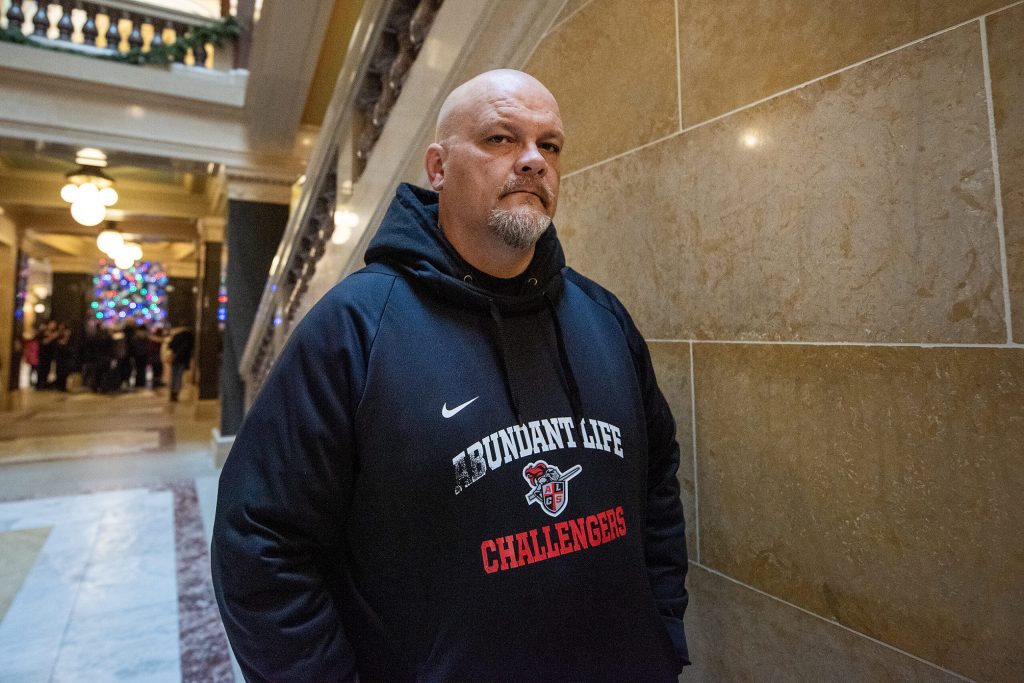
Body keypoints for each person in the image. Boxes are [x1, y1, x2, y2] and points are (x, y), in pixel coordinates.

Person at [212, 70, 689, 681]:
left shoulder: (603, 318)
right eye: (499, 139)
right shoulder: (355, 329)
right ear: (437, 169)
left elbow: (657, 482)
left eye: (550, 145)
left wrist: (661, 633)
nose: (532, 162)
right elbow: (260, 545)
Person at [167, 326, 194, 402]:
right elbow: (190, 348)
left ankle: (172, 392)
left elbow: (170, 346)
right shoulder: (189, 337)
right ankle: (176, 393)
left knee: (174, 375)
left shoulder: (176, 336)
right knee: (179, 376)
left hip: (175, 358)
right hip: (183, 359)